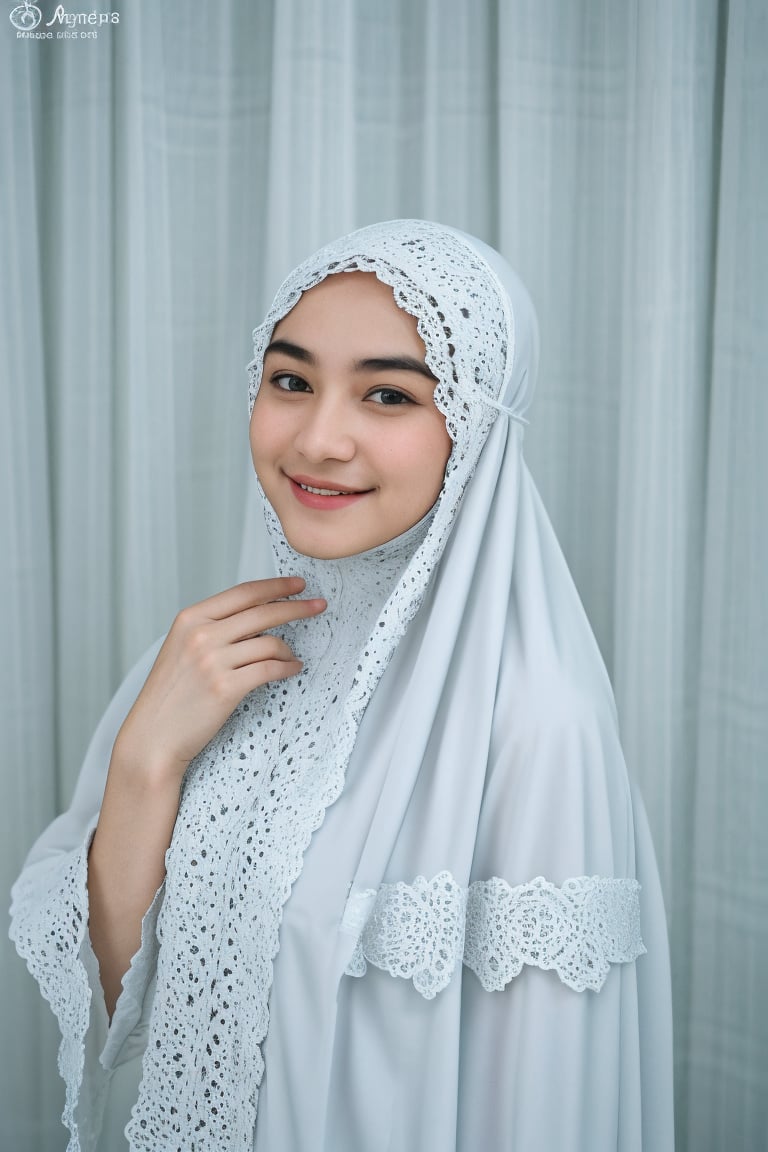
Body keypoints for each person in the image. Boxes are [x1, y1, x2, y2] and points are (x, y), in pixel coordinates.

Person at [10, 220, 674, 1151]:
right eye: (290, 381)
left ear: (476, 427)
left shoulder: (532, 727)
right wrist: (144, 762)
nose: (319, 438)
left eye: (390, 394)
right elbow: (126, 1010)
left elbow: (547, 1106)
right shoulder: (211, 658)